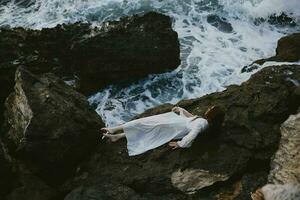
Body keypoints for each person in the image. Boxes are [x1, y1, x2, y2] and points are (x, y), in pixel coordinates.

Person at [101, 105, 225, 156]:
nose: (209, 108)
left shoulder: (201, 125)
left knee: (143, 124)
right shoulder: (205, 123)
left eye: (211, 109)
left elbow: (192, 133)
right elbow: (192, 119)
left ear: (211, 115)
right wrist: (182, 111)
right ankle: (117, 134)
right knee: (145, 126)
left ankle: (115, 132)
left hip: (174, 128)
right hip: (177, 123)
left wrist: (181, 143)